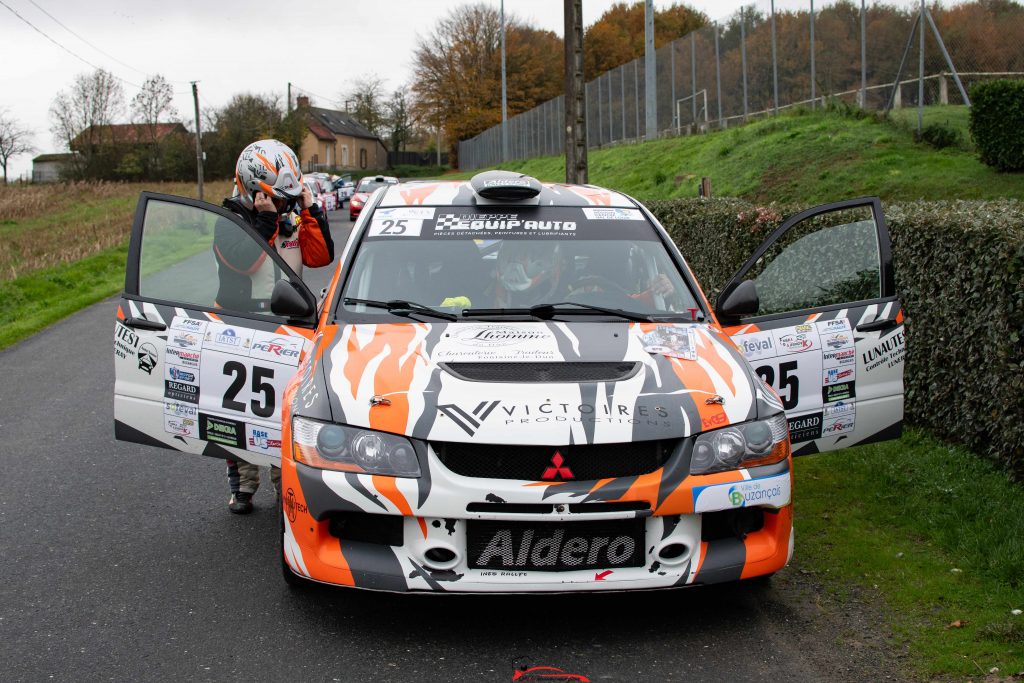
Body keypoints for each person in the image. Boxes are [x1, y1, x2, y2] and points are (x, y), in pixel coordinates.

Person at [215, 139, 335, 514]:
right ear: (254, 190)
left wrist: (309, 208)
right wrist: (266, 220)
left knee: (285, 410)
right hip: (243, 326)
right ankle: (243, 484)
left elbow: (321, 256)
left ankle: (283, 480)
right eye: (278, 198)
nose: (285, 205)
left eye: (288, 198)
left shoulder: (292, 217)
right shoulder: (230, 221)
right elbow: (245, 262)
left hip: (290, 324)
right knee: (239, 410)